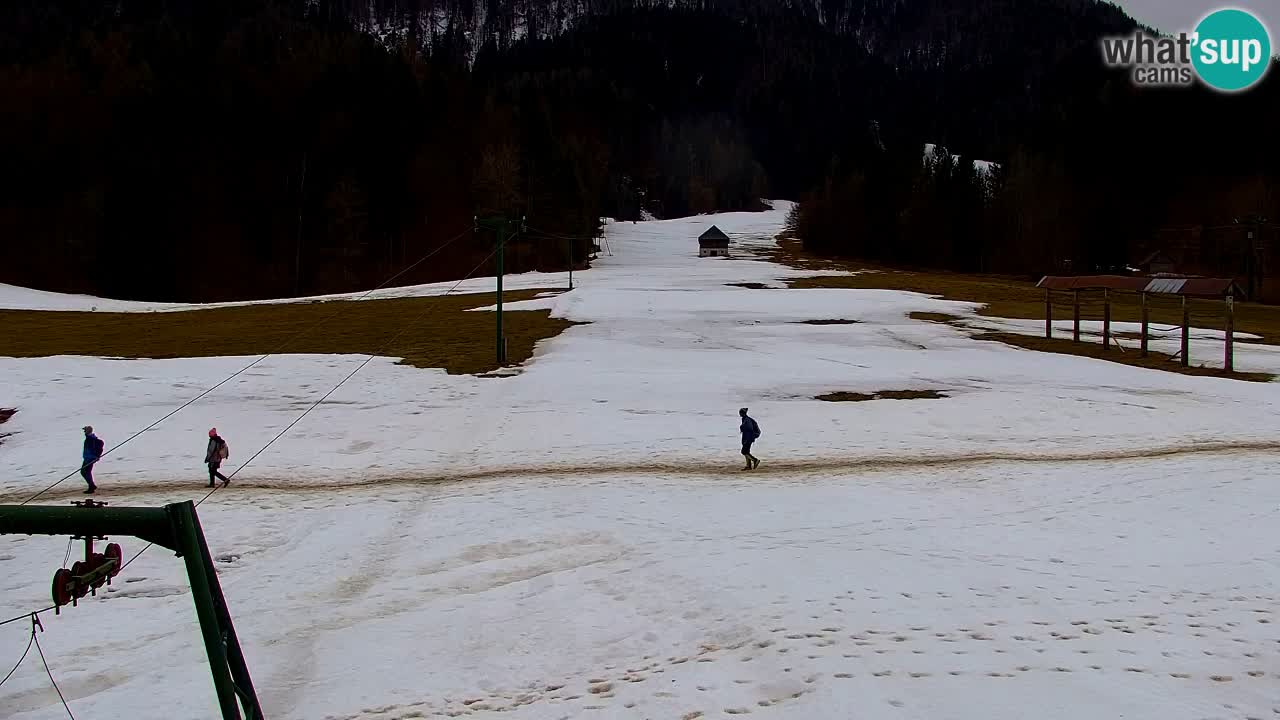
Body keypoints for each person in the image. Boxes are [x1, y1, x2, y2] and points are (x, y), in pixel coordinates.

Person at [81, 425, 104, 493]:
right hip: (88, 458)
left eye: (85, 430)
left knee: (85, 472)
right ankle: (92, 485)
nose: (84, 432)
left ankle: (91, 486)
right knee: (85, 472)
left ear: (88, 431)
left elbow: (96, 448)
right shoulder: (89, 438)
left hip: (90, 458)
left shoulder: (91, 439)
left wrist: (95, 456)